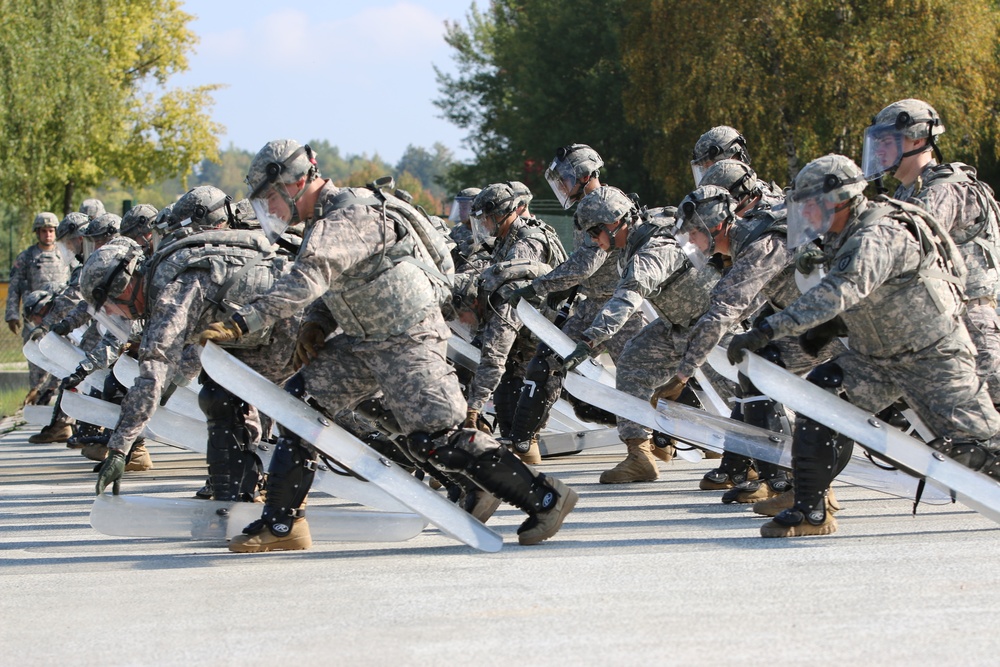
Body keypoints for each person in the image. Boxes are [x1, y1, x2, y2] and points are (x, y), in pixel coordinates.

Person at [197, 139, 577, 552]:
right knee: (300, 402)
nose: (270, 209)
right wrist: (317, 325)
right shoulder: (323, 222)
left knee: (439, 438)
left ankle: (545, 499)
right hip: (364, 341)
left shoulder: (348, 216)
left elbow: (307, 279)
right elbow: (332, 284)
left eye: (271, 197)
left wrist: (241, 323)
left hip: (409, 338)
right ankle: (283, 525)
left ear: (296, 182)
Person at [728, 154, 1000, 537]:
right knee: (820, 398)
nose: (805, 213)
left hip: (931, 356)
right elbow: (875, 295)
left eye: (810, 203)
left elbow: (843, 288)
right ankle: (810, 512)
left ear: (840, 199)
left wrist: (767, 330)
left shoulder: (879, 233)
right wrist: (833, 326)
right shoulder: (844, 236)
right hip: (876, 358)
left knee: (976, 450)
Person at [87, 185, 301, 494]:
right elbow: (200, 346)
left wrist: (119, 448)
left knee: (224, 392)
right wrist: (171, 383)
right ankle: (235, 480)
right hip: (278, 325)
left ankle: (243, 485)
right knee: (219, 385)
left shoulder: (168, 289)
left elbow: (154, 370)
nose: (113, 312)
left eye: (109, 304)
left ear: (122, 283)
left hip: (292, 323)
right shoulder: (169, 271)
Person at [563, 186, 722, 483]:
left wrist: (590, 339)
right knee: (634, 361)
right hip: (678, 325)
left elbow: (629, 295)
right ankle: (640, 455)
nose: (595, 240)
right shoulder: (646, 231)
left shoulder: (649, 253)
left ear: (614, 225)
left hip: (714, 324)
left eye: (596, 232)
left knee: (744, 394)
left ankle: (770, 462)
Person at [505, 144, 647, 459]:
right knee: (546, 362)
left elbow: (585, 265)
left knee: (639, 376)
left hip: (620, 306)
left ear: (583, 175)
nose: (563, 187)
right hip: (594, 303)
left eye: (566, 179)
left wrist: (538, 287)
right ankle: (523, 443)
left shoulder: (602, 207)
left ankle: (664, 445)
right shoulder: (589, 205)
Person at [863, 98, 1000, 407]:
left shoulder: (946, 188)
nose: (879, 151)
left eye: (887, 141)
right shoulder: (905, 193)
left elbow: (908, 239)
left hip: (970, 324)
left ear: (918, 140)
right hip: (931, 325)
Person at [463, 182, 568, 463]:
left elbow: (496, 349)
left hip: (547, 332)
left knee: (526, 384)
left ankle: (524, 443)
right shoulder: (506, 241)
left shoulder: (525, 245)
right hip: (530, 332)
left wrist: (473, 409)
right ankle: (520, 444)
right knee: (511, 384)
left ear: (502, 214)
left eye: (486, 217)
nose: (483, 225)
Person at [6, 212, 72, 406]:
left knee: (62, 359)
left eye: (51, 230)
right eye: (44, 231)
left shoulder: (65, 255)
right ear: (37, 233)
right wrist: (11, 314)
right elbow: (14, 285)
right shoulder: (27, 257)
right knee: (37, 360)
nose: (48, 235)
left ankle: (59, 401)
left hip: (61, 316)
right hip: (35, 317)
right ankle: (37, 397)